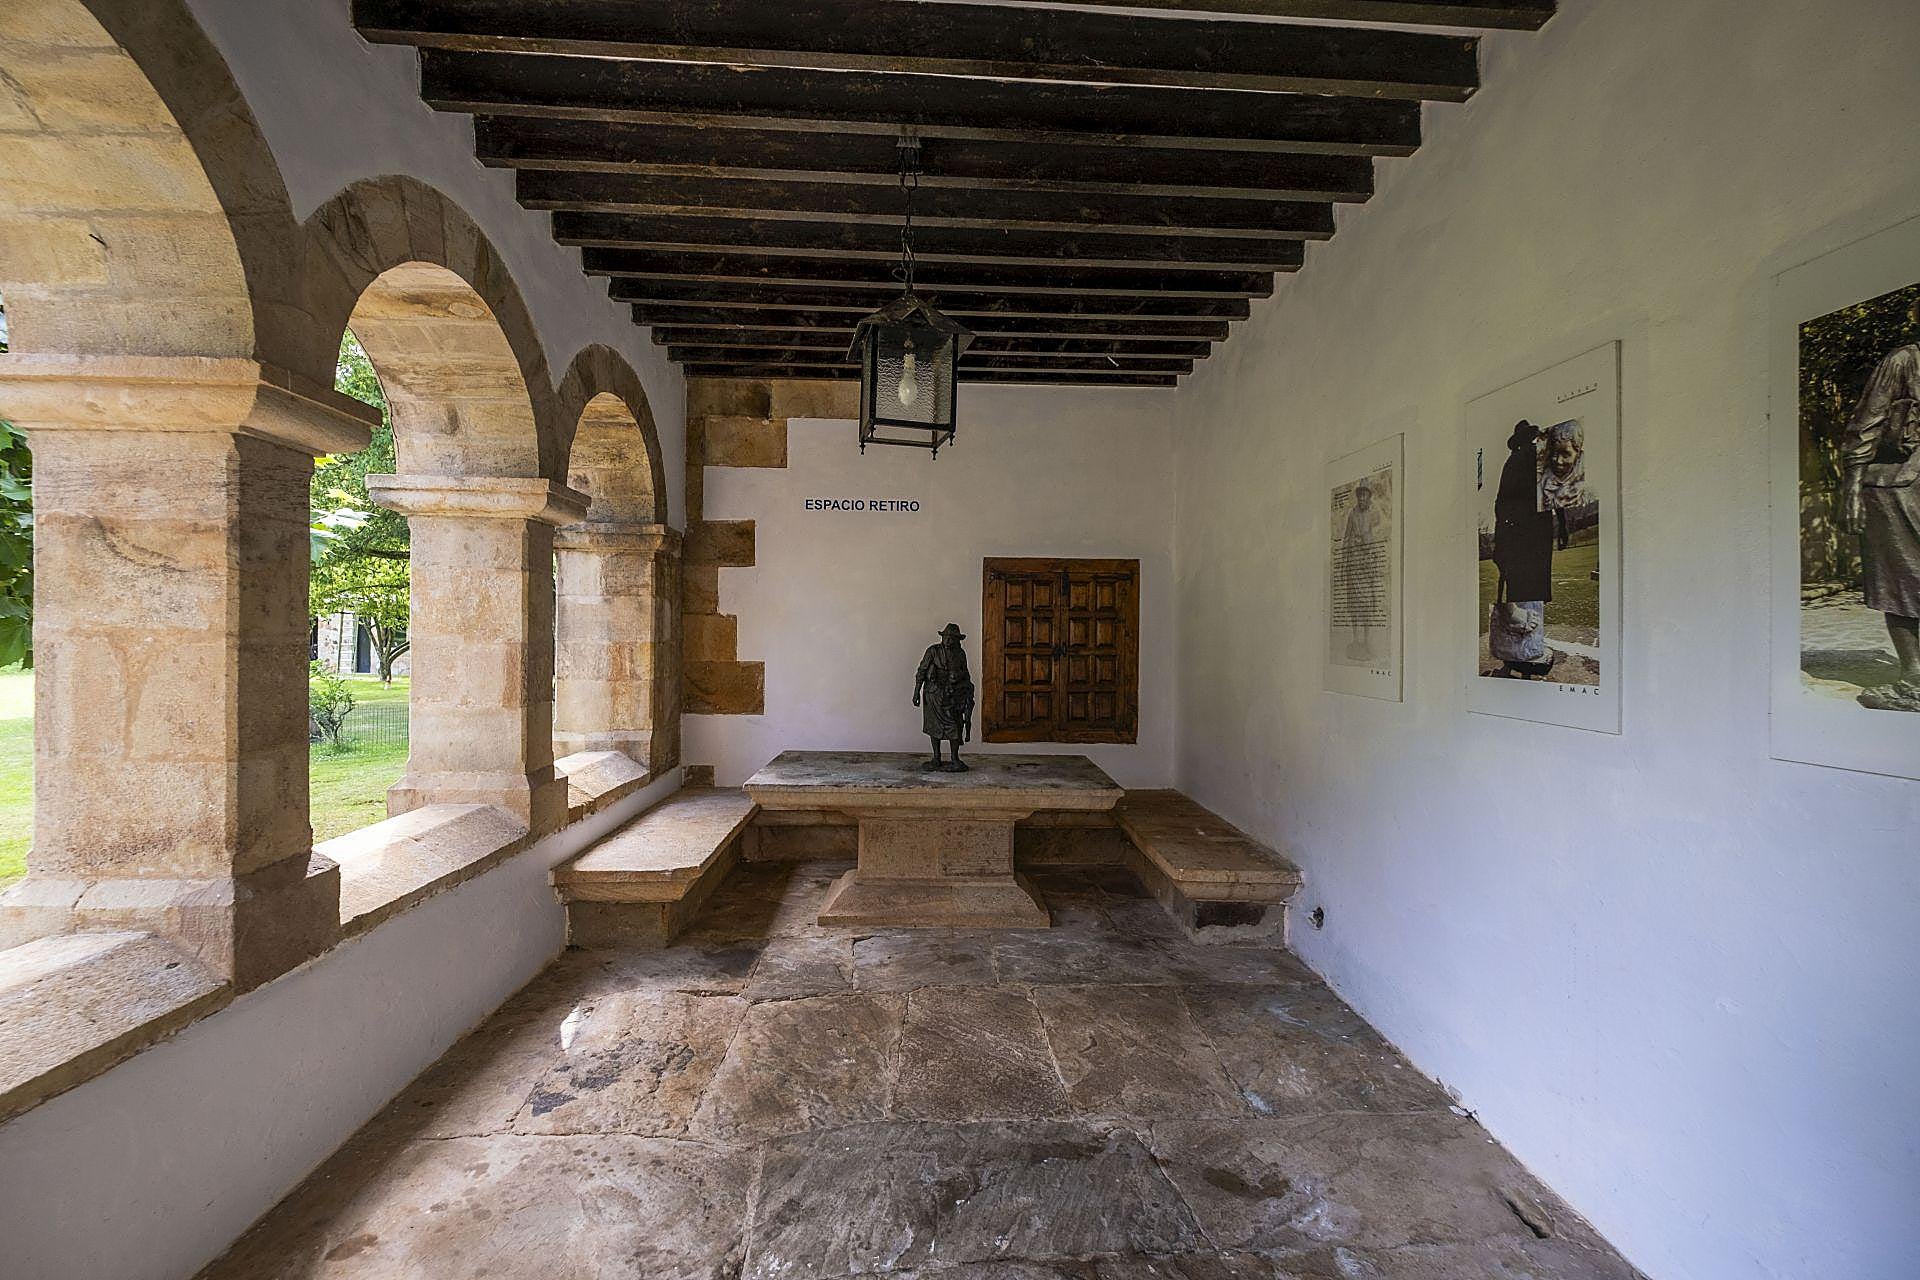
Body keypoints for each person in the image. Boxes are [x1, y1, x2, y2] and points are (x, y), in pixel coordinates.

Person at [1840, 333, 1920, 712]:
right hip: (1898, 487)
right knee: (1901, 582)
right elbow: (1866, 423)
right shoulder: (1904, 361)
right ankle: (1914, 676)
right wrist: (1851, 488)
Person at [1488, 420, 1557, 678]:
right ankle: (1526, 658)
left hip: (1519, 542)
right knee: (1528, 599)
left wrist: (1502, 545)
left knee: (1519, 597)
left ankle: (1518, 659)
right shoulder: (1531, 459)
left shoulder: (1515, 462)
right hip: (1531, 541)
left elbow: (1500, 506)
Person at [913, 623, 976, 770]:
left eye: (952, 638)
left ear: (957, 640)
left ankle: (955, 758)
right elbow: (921, 671)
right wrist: (916, 691)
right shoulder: (933, 651)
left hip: (952, 694)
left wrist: (959, 679)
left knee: (955, 725)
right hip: (933, 693)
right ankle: (936, 758)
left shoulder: (960, 654)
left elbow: (966, 674)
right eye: (946, 637)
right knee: (933, 726)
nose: (948, 640)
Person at [1339, 477, 1387, 660]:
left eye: (1365, 496)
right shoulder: (1352, 514)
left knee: (1367, 604)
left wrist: (1370, 549)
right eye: (1360, 496)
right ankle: (1356, 639)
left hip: (1366, 565)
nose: (1362, 499)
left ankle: (1366, 640)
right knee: (1354, 605)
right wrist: (1344, 566)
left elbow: (1375, 539)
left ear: (1369, 497)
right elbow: (1345, 539)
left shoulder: (1372, 515)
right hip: (1354, 564)